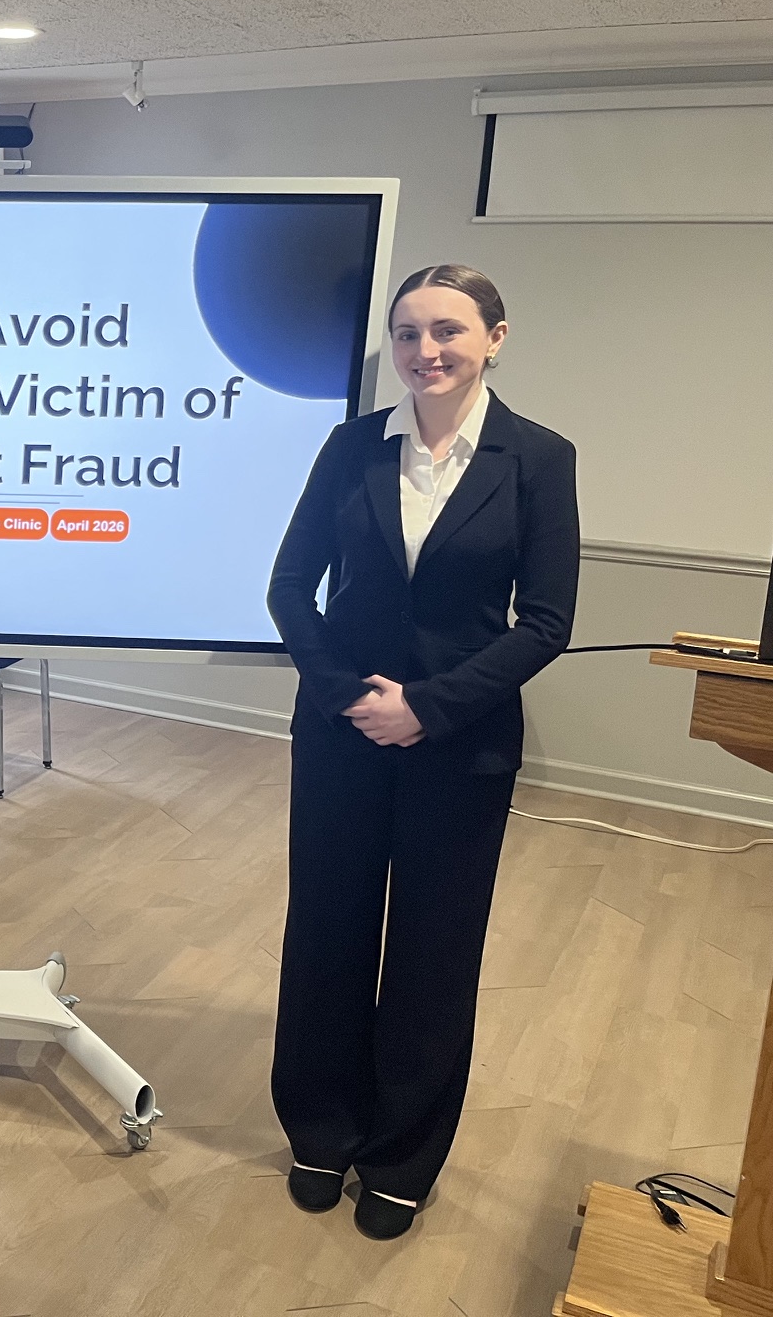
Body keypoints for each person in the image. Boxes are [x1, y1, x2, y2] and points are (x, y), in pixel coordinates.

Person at [265, 264, 579, 1240]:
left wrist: (428, 708)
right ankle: (321, 1126)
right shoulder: (352, 446)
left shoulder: (539, 458)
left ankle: (404, 1153)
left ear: (495, 336)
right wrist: (356, 698)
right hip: (340, 738)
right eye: (407, 333)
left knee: (433, 954)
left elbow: (547, 623)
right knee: (327, 937)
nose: (425, 351)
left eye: (447, 330)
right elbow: (289, 588)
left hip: (461, 750)